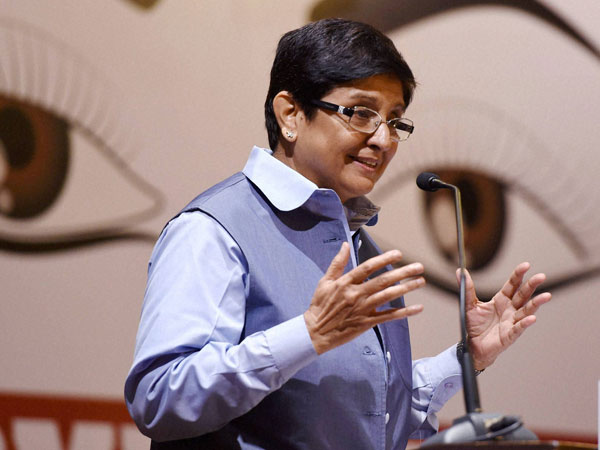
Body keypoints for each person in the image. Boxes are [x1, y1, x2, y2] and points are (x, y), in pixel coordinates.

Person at [124, 18, 551, 449]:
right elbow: (159, 397)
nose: (384, 140)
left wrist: (466, 358)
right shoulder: (212, 230)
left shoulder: (362, 247)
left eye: (395, 121)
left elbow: (373, 418)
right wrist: (306, 334)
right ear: (290, 114)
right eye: (362, 113)